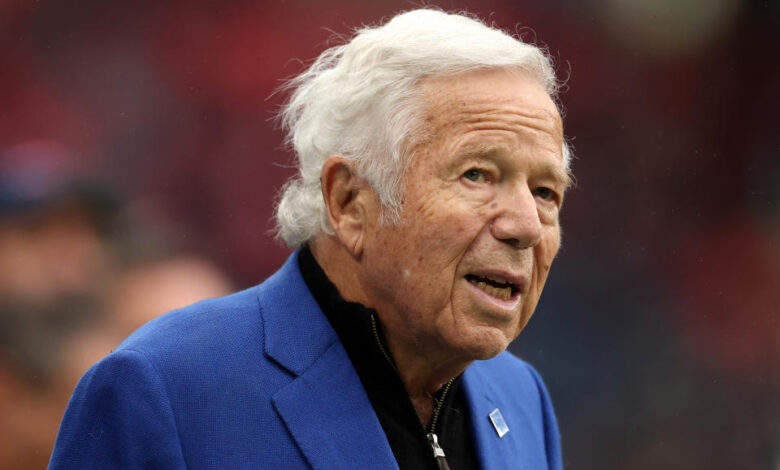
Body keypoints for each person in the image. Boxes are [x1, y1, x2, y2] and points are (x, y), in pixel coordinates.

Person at [49, 9, 572, 469]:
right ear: (348, 201)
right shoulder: (163, 390)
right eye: (477, 175)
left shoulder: (521, 397)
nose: (525, 225)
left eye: (546, 191)